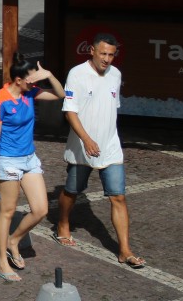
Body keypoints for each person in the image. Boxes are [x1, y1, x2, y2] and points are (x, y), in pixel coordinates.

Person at [54, 33, 146, 268]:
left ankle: (124, 250)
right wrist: (85, 139)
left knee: (118, 196)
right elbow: (70, 111)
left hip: (111, 146)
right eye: (103, 53)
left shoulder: (116, 75)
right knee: (72, 190)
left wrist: (103, 140)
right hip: (81, 147)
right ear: (92, 51)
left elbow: (111, 109)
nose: (107, 59)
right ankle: (63, 223)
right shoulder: (77, 74)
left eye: (111, 55)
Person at [0, 57, 64, 282]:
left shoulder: (30, 92)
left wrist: (48, 75)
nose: (34, 83)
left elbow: (59, 94)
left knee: (40, 210)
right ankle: (2, 262)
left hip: (29, 159)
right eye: (31, 80)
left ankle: (14, 240)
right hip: (8, 161)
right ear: (18, 80)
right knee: (7, 211)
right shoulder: (0, 101)